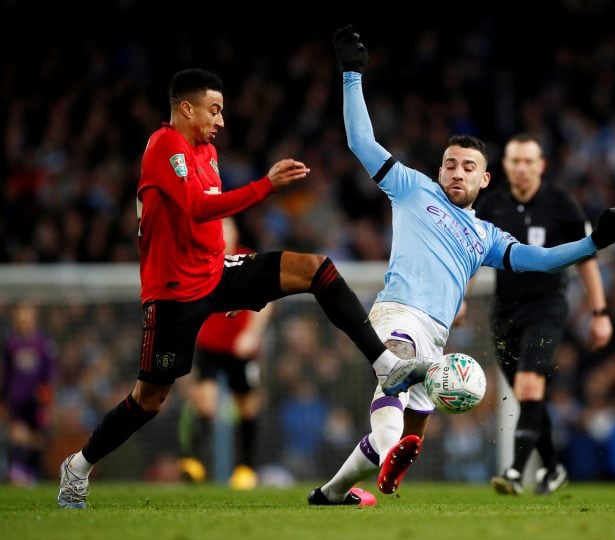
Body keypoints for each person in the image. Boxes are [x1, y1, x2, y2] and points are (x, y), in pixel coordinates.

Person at [56, 67, 430, 509]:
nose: (220, 121)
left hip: (218, 274)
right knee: (149, 400)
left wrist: (231, 291)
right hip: (175, 294)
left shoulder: (206, 151)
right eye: (213, 111)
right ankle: (78, 466)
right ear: (185, 108)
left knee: (316, 268)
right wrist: (265, 186)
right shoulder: (164, 146)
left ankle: (385, 363)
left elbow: (210, 222)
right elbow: (196, 208)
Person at [306, 25, 615, 506]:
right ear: (439, 170)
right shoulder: (411, 187)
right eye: (450, 164)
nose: (457, 172)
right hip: (397, 314)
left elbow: (543, 260)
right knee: (395, 378)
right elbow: (362, 141)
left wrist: (594, 243)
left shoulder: (486, 235)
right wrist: (352, 75)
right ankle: (386, 455)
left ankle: (333, 491)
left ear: (485, 178)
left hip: (438, 335)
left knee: (412, 426)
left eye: (468, 166)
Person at [474, 134, 613, 495]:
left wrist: (600, 312)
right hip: (504, 311)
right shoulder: (490, 205)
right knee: (528, 397)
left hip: (548, 308)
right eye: (514, 161)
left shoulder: (561, 204)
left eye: (528, 161)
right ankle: (553, 470)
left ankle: (516, 473)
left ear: (541, 165)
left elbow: (587, 257)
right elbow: (469, 254)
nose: (521, 168)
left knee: (530, 385)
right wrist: (459, 297)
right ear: (504, 165)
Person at [177, 217, 273, 490]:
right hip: (209, 344)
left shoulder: (247, 259)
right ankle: (194, 461)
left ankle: (246, 467)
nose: (220, 233)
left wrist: (251, 334)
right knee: (204, 402)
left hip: (239, 348)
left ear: (235, 232)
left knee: (246, 407)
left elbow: (266, 302)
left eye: (225, 227)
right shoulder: (201, 259)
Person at [1, 303, 57, 485]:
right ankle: (17, 470)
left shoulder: (43, 343)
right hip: (17, 399)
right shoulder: (11, 344)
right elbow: (7, 373)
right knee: (17, 433)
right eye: (21, 317)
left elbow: (49, 374)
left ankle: (31, 471)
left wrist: (47, 396)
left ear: (33, 319)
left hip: (37, 400)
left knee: (38, 438)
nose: (23, 320)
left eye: (27, 316)